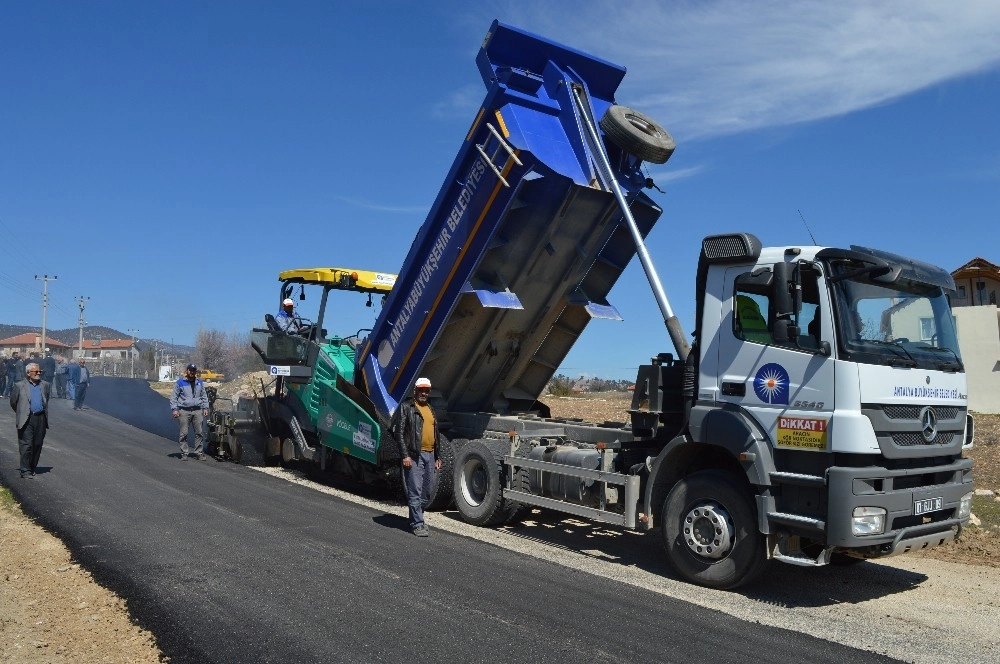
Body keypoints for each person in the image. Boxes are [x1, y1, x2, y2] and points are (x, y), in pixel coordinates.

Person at [390, 376, 442, 537]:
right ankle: (418, 524)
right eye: (421, 390)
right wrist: (405, 455)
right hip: (414, 455)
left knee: (428, 491)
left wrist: (438, 456)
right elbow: (399, 433)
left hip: (430, 455)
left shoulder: (430, 409)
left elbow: (436, 434)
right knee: (415, 490)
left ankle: (414, 517)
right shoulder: (407, 407)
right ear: (415, 391)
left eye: (426, 391)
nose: (424, 393)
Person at [10, 362, 50, 479]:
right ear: (28, 373)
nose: (38, 373)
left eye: (39, 371)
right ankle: (25, 470)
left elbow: (46, 399)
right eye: (36, 372)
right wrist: (23, 412)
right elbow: (14, 403)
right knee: (26, 445)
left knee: (37, 444)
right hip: (26, 419)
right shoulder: (19, 386)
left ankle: (32, 467)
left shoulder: (45, 385)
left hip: (40, 418)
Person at [170, 363, 210, 460]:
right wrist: (175, 409)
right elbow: (173, 397)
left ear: (195, 372)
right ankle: (184, 453)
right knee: (184, 433)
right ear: (187, 371)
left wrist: (205, 408)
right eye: (190, 370)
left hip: (197, 411)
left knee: (199, 432)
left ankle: (199, 452)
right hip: (184, 411)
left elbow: (204, 396)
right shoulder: (180, 382)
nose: (192, 372)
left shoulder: (199, 383)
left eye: (193, 371)